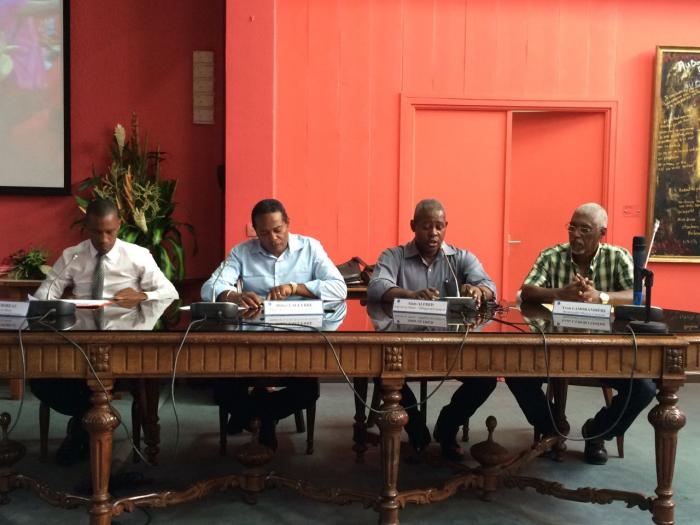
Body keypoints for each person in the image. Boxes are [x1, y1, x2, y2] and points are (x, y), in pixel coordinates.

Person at [31, 198, 179, 465]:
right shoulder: (73, 255)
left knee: (100, 381)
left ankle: (83, 429)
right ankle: (85, 422)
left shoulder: (137, 255)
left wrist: (141, 296)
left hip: (124, 339)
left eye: (109, 231)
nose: (103, 239)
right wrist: (54, 305)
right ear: (86, 227)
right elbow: (45, 294)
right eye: (96, 232)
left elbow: (169, 292)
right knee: (41, 378)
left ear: (119, 225)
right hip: (81, 340)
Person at [201, 198, 347, 449]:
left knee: (307, 391)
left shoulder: (310, 248)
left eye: (278, 230)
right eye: (264, 233)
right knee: (222, 388)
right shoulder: (242, 252)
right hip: (251, 337)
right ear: (255, 232)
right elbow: (209, 288)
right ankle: (266, 416)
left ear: (288, 224)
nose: (273, 238)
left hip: (297, 338)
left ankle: (254, 415)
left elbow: (339, 289)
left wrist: (295, 287)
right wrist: (233, 295)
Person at [520, 202, 656, 464]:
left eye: (585, 229)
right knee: (517, 376)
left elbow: (636, 295)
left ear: (602, 233)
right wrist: (561, 293)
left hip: (605, 352)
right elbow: (527, 291)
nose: (576, 235)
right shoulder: (551, 256)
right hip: (553, 349)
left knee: (644, 388)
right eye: (572, 227)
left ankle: (596, 432)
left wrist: (600, 296)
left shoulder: (618, 257)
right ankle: (552, 426)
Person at [368, 199, 502, 460]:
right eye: (426, 226)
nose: (433, 233)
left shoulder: (460, 257)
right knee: (383, 373)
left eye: (439, 226)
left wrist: (478, 290)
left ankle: (447, 427)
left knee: (485, 380)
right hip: (405, 344)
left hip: (452, 346)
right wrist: (410, 294)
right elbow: (376, 288)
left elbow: (490, 286)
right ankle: (417, 430)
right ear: (413, 226)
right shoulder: (394, 256)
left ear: (446, 226)